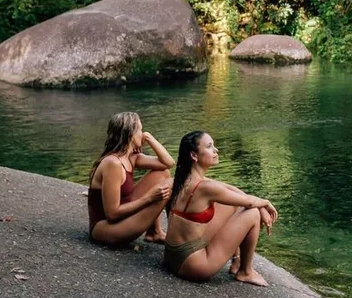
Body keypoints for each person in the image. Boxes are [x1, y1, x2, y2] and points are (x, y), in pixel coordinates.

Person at [163, 131, 278, 287]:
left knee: (233, 204)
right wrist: (265, 203)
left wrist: (260, 204)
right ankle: (245, 272)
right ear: (194, 155)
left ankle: (236, 262)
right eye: (209, 146)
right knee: (252, 214)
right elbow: (250, 204)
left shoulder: (184, 180)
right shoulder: (205, 187)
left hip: (172, 257)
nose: (216, 150)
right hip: (193, 266)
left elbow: (230, 190)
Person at [88, 112, 175, 245]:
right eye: (140, 130)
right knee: (172, 184)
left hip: (124, 216)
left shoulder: (130, 157)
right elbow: (112, 214)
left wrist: (150, 138)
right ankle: (179, 238)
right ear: (130, 134)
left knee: (163, 174)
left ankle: (155, 232)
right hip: (106, 228)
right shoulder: (113, 163)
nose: (142, 133)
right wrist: (149, 198)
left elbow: (168, 163)